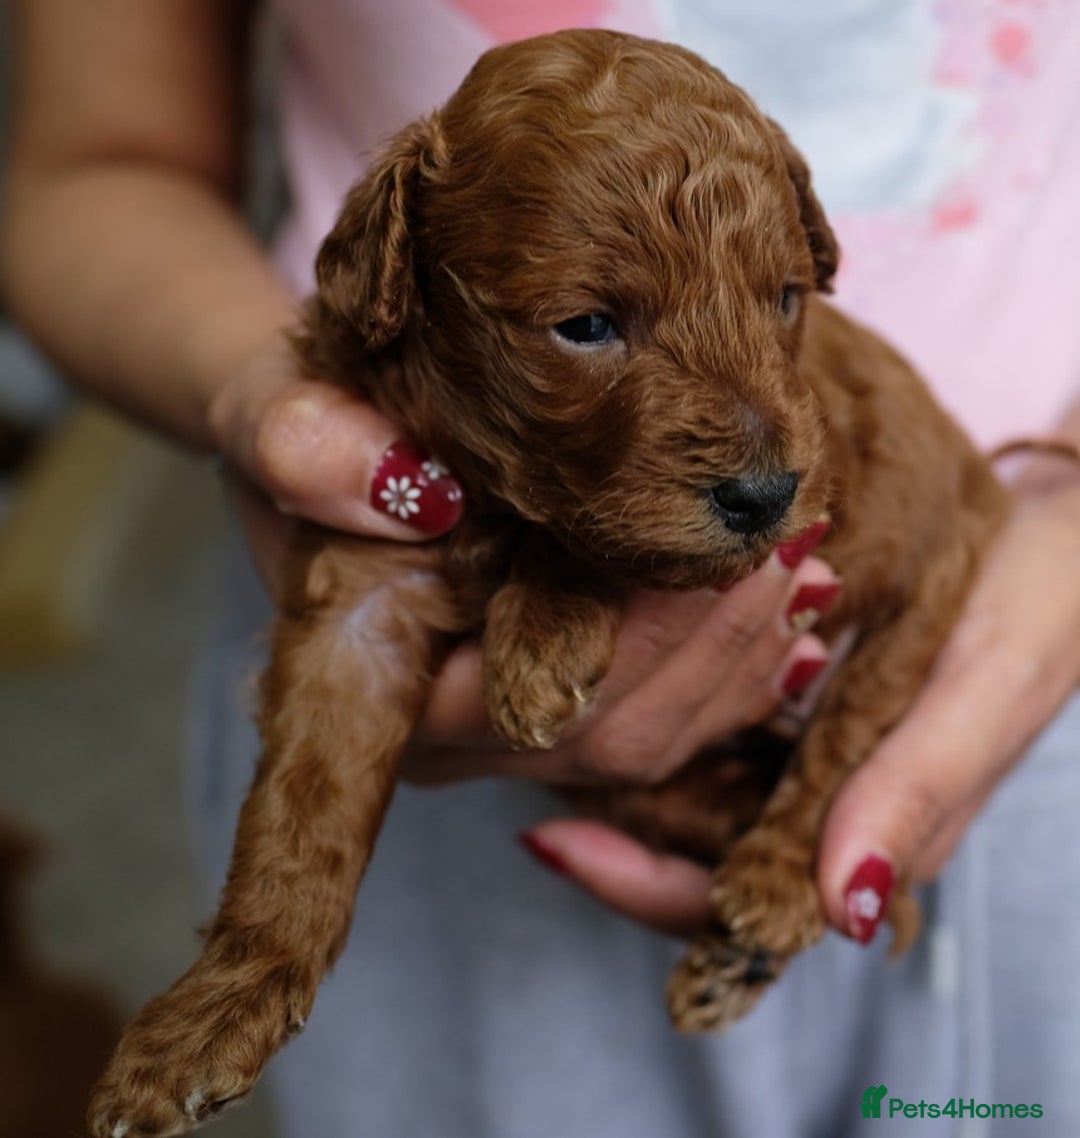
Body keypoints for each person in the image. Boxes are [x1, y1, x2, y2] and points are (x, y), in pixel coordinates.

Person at [3, 1, 1079, 1134]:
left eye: (783, 300)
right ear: (392, 265)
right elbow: (104, 160)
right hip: (446, 847)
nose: (761, 455)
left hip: (1036, 672)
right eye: (586, 322)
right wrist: (261, 408)